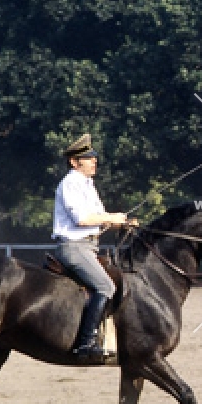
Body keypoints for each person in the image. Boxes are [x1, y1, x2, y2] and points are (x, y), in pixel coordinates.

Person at [53, 134, 133, 363]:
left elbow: (98, 219)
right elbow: (81, 219)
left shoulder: (87, 185)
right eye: (88, 158)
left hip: (88, 245)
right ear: (74, 162)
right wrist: (111, 217)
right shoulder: (70, 184)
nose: (94, 161)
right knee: (105, 286)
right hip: (74, 248)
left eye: (93, 158)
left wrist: (121, 221)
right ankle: (85, 342)